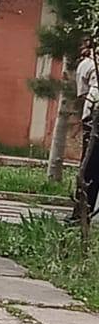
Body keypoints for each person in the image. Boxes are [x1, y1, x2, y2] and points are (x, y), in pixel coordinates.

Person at [76, 45, 99, 219]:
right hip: (93, 120)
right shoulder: (88, 64)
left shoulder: (87, 64)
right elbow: (83, 93)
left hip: (92, 118)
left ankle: (83, 213)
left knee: (90, 168)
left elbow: (83, 93)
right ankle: (83, 212)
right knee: (90, 168)